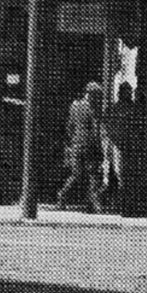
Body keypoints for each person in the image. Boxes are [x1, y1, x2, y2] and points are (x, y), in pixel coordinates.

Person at [57, 81, 107, 214]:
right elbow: (97, 130)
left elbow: (69, 126)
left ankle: (64, 196)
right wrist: (100, 147)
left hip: (77, 145)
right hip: (89, 146)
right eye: (96, 95)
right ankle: (93, 204)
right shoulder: (93, 109)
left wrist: (72, 141)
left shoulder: (75, 106)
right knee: (93, 175)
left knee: (79, 174)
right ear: (90, 94)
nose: (98, 98)